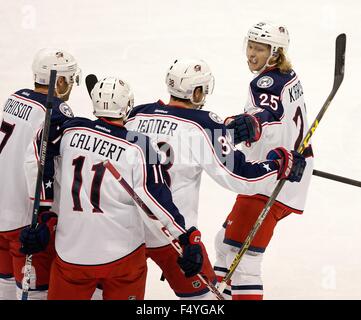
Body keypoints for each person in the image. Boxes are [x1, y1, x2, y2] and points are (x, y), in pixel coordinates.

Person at [125, 58, 307, 300]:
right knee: (204, 300)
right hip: (175, 236)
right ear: (198, 91)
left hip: (125, 229)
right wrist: (278, 164)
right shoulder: (203, 125)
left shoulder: (137, 115)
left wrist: (229, 133)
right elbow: (239, 176)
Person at [20, 77, 204, 300]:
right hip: (123, 259)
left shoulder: (69, 130)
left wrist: (43, 215)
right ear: (126, 106)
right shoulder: (139, 146)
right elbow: (157, 199)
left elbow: (40, 153)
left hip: (72, 255)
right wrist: (185, 236)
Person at [214, 21, 314, 300]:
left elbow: (265, 114)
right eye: (250, 46)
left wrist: (249, 123)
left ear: (275, 52)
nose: (251, 54)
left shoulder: (265, 82)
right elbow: (282, 118)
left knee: (244, 260)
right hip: (292, 169)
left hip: (270, 178)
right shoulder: (290, 76)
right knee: (224, 244)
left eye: (259, 49)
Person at [0, 48, 80, 300]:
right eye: (70, 78)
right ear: (61, 81)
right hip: (24, 220)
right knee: (35, 293)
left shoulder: (15, 98)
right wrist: (44, 214)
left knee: (4, 285)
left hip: (1, 209)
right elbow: (42, 162)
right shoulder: (56, 110)